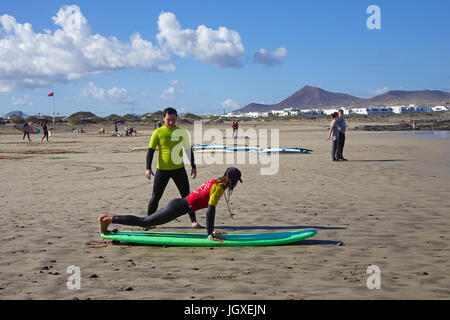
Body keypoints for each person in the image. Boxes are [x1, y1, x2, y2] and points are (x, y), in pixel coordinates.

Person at [98, 167, 242, 242]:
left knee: (146, 221)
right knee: (145, 222)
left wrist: (212, 230)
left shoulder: (214, 182)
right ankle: (107, 219)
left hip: (178, 205)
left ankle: (109, 219)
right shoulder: (218, 189)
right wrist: (210, 234)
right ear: (233, 181)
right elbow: (210, 212)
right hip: (178, 207)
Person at [146, 107, 200, 228]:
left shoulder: (182, 132)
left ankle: (194, 221)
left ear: (177, 119)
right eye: (168, 120)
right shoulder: (158, 132)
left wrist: (193, 166)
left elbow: (188, 150)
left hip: (178, 170)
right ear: (163, 118)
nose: (171, 122)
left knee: (187, 196)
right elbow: (150, 151)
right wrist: (148, 168)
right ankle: (148, 222)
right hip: (162, 170)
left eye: (173, 120)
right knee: (156, 197)